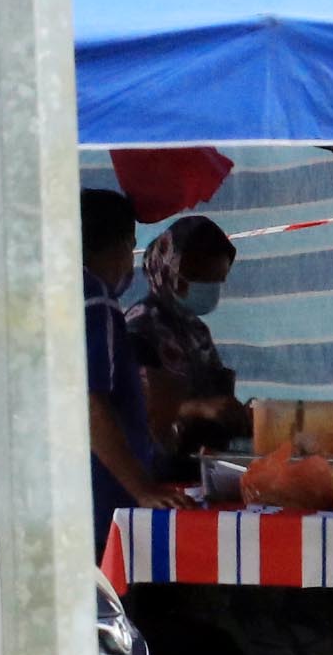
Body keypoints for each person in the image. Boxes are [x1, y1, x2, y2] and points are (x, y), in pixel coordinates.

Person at [82, 188, 184, 557]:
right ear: (123, 244)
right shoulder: (95, 301)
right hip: (98, 505)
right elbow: (89, 404)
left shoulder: (47, 294)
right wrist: (143, 488)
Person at [126, 214, 250, 460]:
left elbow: (215, 394)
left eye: (217, 280)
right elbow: (135, 409)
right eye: (199, 277)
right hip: (157, 468)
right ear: (168, 268)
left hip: (201, 457)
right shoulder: (140, 327)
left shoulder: (196, 330)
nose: (209, 288)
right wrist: (200, 409)